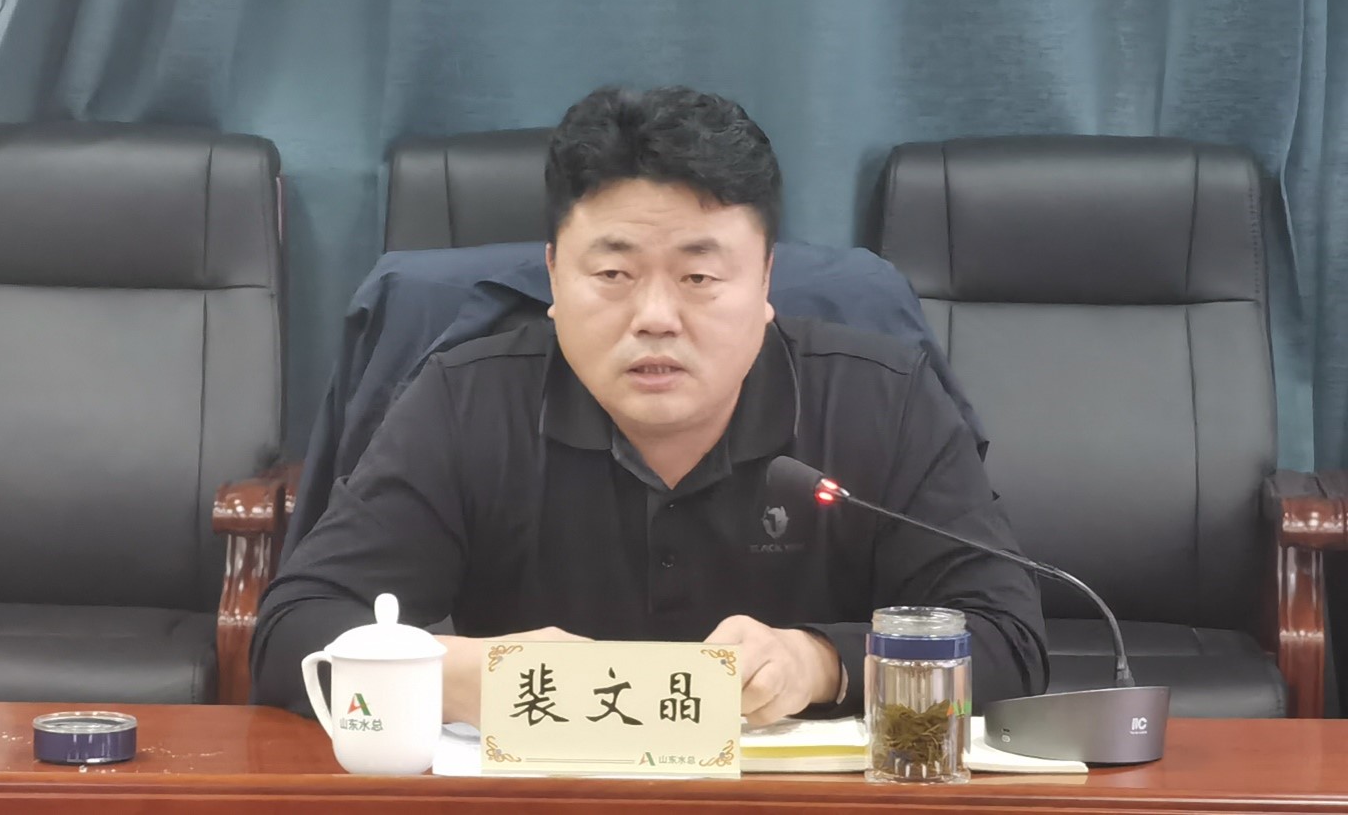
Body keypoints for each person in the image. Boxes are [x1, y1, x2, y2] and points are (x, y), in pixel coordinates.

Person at [252, 86, 1048, 725]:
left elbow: (1008, 642)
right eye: (614, 274)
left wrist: (821, 662)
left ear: (765, 281)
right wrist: (466, 674)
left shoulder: (883, 399)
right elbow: (294, 633)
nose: (656, 316)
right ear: (554, 277)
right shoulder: (466, 401)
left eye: (699, 277)